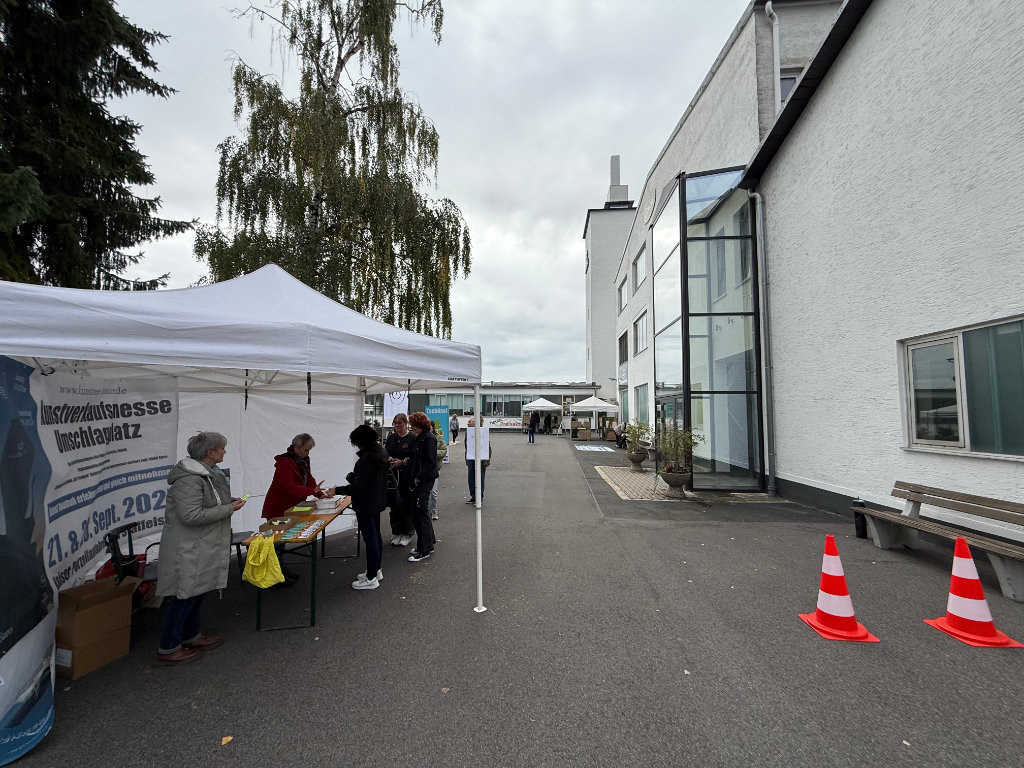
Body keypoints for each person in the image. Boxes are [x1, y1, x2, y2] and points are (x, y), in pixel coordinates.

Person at [156, 431, 246, 665]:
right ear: (210, 452)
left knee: (196, 592)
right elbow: (191, 515)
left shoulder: (207, 474)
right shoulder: (190, 480)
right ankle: (169, 647)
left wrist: (228, 503)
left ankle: (191, 636)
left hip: (199, 545)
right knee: (184, 595)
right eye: (222, 448)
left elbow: (207, 503)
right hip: (188, 547)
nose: (225, 451)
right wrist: (229, 509)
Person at [333, 425, 389, 590]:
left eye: (356, 442)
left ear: (361, 441)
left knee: (370, 539)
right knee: (375, 537)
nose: (356, 445)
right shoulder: (381, 452)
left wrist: (336, 490)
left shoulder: (367, 459)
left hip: (366, 504)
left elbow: (359, 486)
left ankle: (371, 578)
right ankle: (375, 570)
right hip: (377, 501)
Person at [261, 433, 328, 520]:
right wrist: (312, 491)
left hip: (295, 505)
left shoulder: (304, 460)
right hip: (280, 508)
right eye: (306, 450)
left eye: (309, 450)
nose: (308, 453)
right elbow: (289, 487)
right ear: (296, 448)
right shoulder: (284, 463)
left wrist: (319, 494)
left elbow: (308, 478)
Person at [406, 412, 439, 562]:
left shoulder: (428, 438)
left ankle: (424, 549)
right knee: (420, 511)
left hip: (424, 480)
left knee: (420, 512)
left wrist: (418, 477)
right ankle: (428, 543)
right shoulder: (421, 437)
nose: (411, 427)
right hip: (421, 479)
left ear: (420, 424)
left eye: (413, 424)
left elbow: (430, 462)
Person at [384, 413, 416, 546]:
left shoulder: (412, 438)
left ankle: (407, 533)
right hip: (392, 477)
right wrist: (389, 458)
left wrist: (402, 462)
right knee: (394, 505)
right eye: (395, 423)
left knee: (406, 504)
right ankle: (397, 532)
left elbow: (415, 457)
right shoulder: (392, 437)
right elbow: (385, 452)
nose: (397, 426)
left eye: (400, 423)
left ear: (405, 423)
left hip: (406, 477)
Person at [464, 417, 492, 505]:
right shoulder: (468, 432)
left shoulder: (482, 432)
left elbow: (487, 447)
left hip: (481, 459)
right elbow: (467, 446)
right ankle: (473, 496)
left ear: (475, 423)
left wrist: (486, 460)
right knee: (471, 479)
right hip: (471, 458)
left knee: (479, 479)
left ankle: (479, 497)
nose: (467, 423)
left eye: (469, 421)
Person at [428, 420, 447, 521]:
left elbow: (443, 451)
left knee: (433, 492)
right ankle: (428, 511)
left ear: (433, 427)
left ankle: (434, 511)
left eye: (430, 426)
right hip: (425, 469)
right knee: (427, 492)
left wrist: (433, 452)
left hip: (435, 468)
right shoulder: (422, 438)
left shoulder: (439, 439)